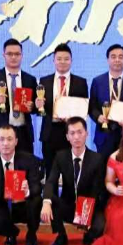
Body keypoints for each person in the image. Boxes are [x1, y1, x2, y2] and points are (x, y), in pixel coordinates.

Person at [41, 117, 107, 245]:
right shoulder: (60, 156)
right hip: (69, 204)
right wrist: (46, 202)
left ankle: (89, 234)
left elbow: (98, 189)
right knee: (50, 200)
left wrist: (86, 214)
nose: (76, 137)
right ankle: (61, 235)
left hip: (89, 205)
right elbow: (51, 181)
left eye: (80, 132)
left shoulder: (97, 159)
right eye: (72, 133)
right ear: (67, 137)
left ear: (86, 134)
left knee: (100, 227)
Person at [0, 125, 43, 245]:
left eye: (9, 139)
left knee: (36, 200)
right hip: (4, 205)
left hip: (23, 204)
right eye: (2, 139)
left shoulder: (29, 159)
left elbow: (37, 186)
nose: (5, 143)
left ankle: (31, 235)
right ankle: (11, 232)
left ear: (16, 141)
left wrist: (27, 191)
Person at [36, 43, 89, 177]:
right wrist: (38, 106)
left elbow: (83, 108)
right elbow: (40, 111)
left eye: (66, 59)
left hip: (71, 132)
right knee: (50, 171)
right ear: (53, 60)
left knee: (70, 172)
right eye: (59, 59)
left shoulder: (81, 82)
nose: (62, 62)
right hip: (50, 132)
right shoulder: (44, 81)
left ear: (71, 60)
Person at [0, 39, 38, 155]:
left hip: (23, 132)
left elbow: (36, 106)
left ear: (22, 56)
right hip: (0, 132)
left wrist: (32, 107)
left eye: (17, 54)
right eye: (9, 54)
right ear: (4, 55)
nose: (13, 57)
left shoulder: (30, 79)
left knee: (25, 164)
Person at [88, 44, 123, 158]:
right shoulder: (97, 81)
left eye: (120, 57)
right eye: (113, 57)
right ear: (107, 59)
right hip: (104, 135)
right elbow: (92, 107)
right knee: (104, 167)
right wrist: (98, 117)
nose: (117, 60)